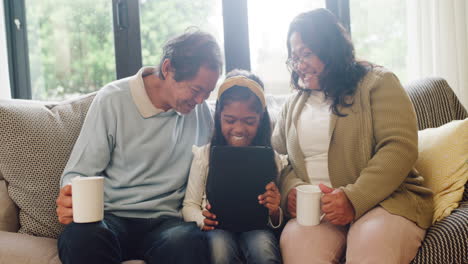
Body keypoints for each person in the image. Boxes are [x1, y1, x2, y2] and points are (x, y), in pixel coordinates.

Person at [272, 9, 433, 264]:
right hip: (318, 213)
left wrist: (353, 198)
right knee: (296, 243)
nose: (299, 65)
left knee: (370, 244)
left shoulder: (377, 83)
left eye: (306, 54)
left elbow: (399, 147)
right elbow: (279, 158)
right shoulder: (293, 103)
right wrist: (290, 190)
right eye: (294, 58)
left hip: (384, 202)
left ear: (330, 49)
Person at [55, 30, 222, 264]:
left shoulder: (202, 113)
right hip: (111, 218)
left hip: (168, 224)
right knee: (80, 238)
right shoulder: (113, 100)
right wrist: (71, 198)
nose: (201, 101)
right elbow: (78, 173)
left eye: (208, 92)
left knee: (188, 242)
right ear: (168, 69)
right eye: (196, 90)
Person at [182, 69, 287, 264]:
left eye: (249, 121)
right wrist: (201, 219)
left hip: (257, 228)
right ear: (219, 116)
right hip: (218, 228)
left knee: (264, 250)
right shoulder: (205, 155)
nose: (239, 129)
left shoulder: (271, 158)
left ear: (261, 120)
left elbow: (275, 217)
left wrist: (274, 209)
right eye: (230, 120)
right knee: (220, 251)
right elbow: (189, 205)